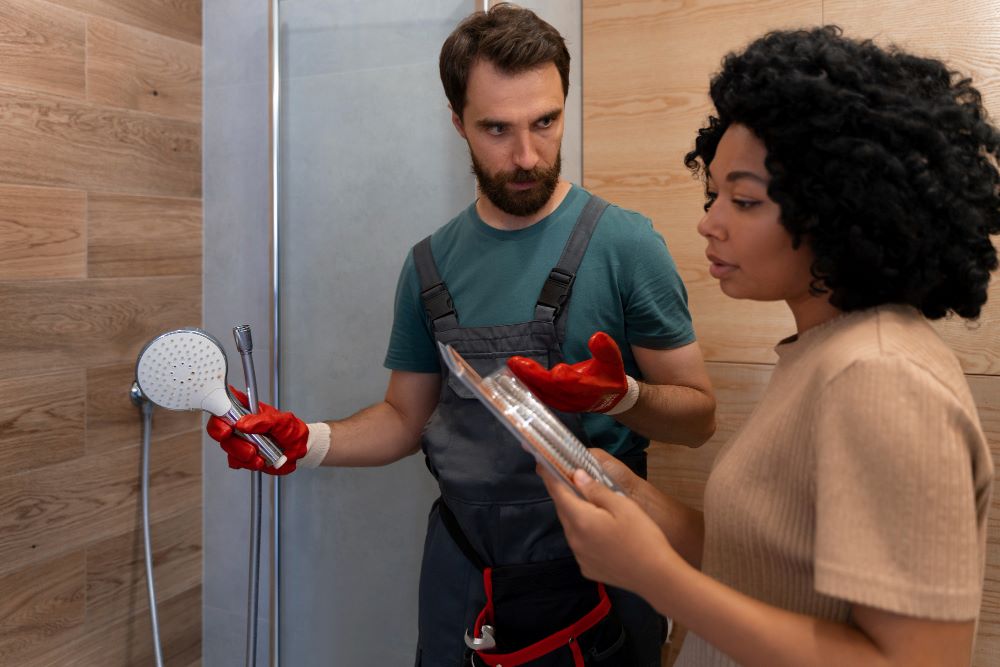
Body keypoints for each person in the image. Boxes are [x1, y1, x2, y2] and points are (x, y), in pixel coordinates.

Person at [207, 4, 717, 666]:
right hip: (462, 576)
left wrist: (623, 398)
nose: (527, 154)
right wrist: (310, 441)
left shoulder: (624, 245)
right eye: (497, 129)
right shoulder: (430, 265)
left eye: (545, 122)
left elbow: (698, 418)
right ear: (458, 124)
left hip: (596, 573)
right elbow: (402, 419)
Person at [528, 25, 998, 667]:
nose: (709, 221)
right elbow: (760, 565)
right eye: (714, 191)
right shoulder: (822, 352)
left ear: (840, 209)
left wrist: (654, 578)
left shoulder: (883, 375)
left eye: (744, 200)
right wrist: (625, 493)